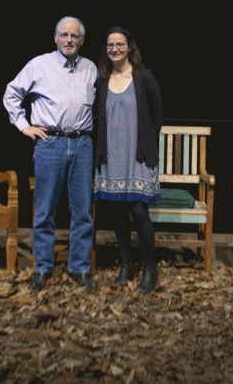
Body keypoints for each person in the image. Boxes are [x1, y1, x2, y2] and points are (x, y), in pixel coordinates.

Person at [3, 16, 98, 291]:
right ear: (55, 38)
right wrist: (24, 126)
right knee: (45, 211)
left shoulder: (90, 68)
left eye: (75, 36)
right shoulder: (39, 65)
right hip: (50, 144)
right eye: (64, 35)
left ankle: (79, 269)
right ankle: (43, 268)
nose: (69, 40)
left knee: (82, 212)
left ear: (82, 40)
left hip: (82, 145)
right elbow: (11, 94)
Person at [93, 26, 164, 292]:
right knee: (117, 213)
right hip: (111, 158)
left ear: (129, 47)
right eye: (110, 45)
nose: (115, 49)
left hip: (138, 157)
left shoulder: (143, 78)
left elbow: (157, 117)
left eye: (120, 44)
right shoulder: (102, 80)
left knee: (138, 212)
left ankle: (150, 270)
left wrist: (143, 143)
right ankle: (126, 265)